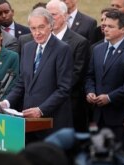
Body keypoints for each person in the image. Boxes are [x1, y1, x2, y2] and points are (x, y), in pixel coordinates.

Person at [0, 7, 73, 143]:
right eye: (33, 28)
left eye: (41, 27)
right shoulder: (28, 47)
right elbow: (22, 82)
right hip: (28, 121)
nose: (37, 33)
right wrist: (6, 102)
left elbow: (63, 89)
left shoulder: (62, 49)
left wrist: (41, 110)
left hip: (52, 121)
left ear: (50, 26)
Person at [85, 9, 124, 143]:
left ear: (123, 29)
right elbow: (89, 76)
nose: (105, 29)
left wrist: (109, 98)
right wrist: (90, 92)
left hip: (119, 118)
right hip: (97, 116)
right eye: (105, 26)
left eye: (111, 27)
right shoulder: (97, 49)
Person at [46, 0, 90, 132]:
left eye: (53, 15)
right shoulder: (40, 40)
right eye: (47, 16)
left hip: (67, 104)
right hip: (43, 104)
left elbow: (76, 74)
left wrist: (49, 92)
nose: (50, 19)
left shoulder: (79, 42)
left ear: (65, 16)